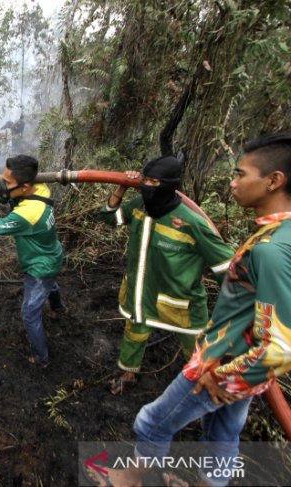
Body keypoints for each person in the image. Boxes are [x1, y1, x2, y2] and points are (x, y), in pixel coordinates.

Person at [88, 133, 291, 487]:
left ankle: (126, 479)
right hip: (245, 362)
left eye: (241, 174)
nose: (232, 182)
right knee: (223, 432)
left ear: (274, 180)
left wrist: (227, 376)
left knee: (152, 422)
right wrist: (257, 336)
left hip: (220, 363)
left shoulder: (270, 250)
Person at [99, 155, 234, 394]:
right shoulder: (139, 206)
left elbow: (226, 267)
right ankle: (128, 373)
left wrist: (235, 310)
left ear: (171, 186)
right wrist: (121, 185)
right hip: (141, 291)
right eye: (146, 181)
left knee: (195, 344)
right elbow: (110, 217)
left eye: (155, 182)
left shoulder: (192, 223)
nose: (148, 187)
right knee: (135, 331)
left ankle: (203, 380)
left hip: (180, 300)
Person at [0, 154, 66, 367]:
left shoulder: (28, 214)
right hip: (52, 253)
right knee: (51, 285)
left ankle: (41, 358)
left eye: (7, 182)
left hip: (39, 266)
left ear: (26, 186)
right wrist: (7, 188)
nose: (3, 185)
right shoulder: (41, 189)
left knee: (29, 315)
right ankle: (59, 309)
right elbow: (17, 196)